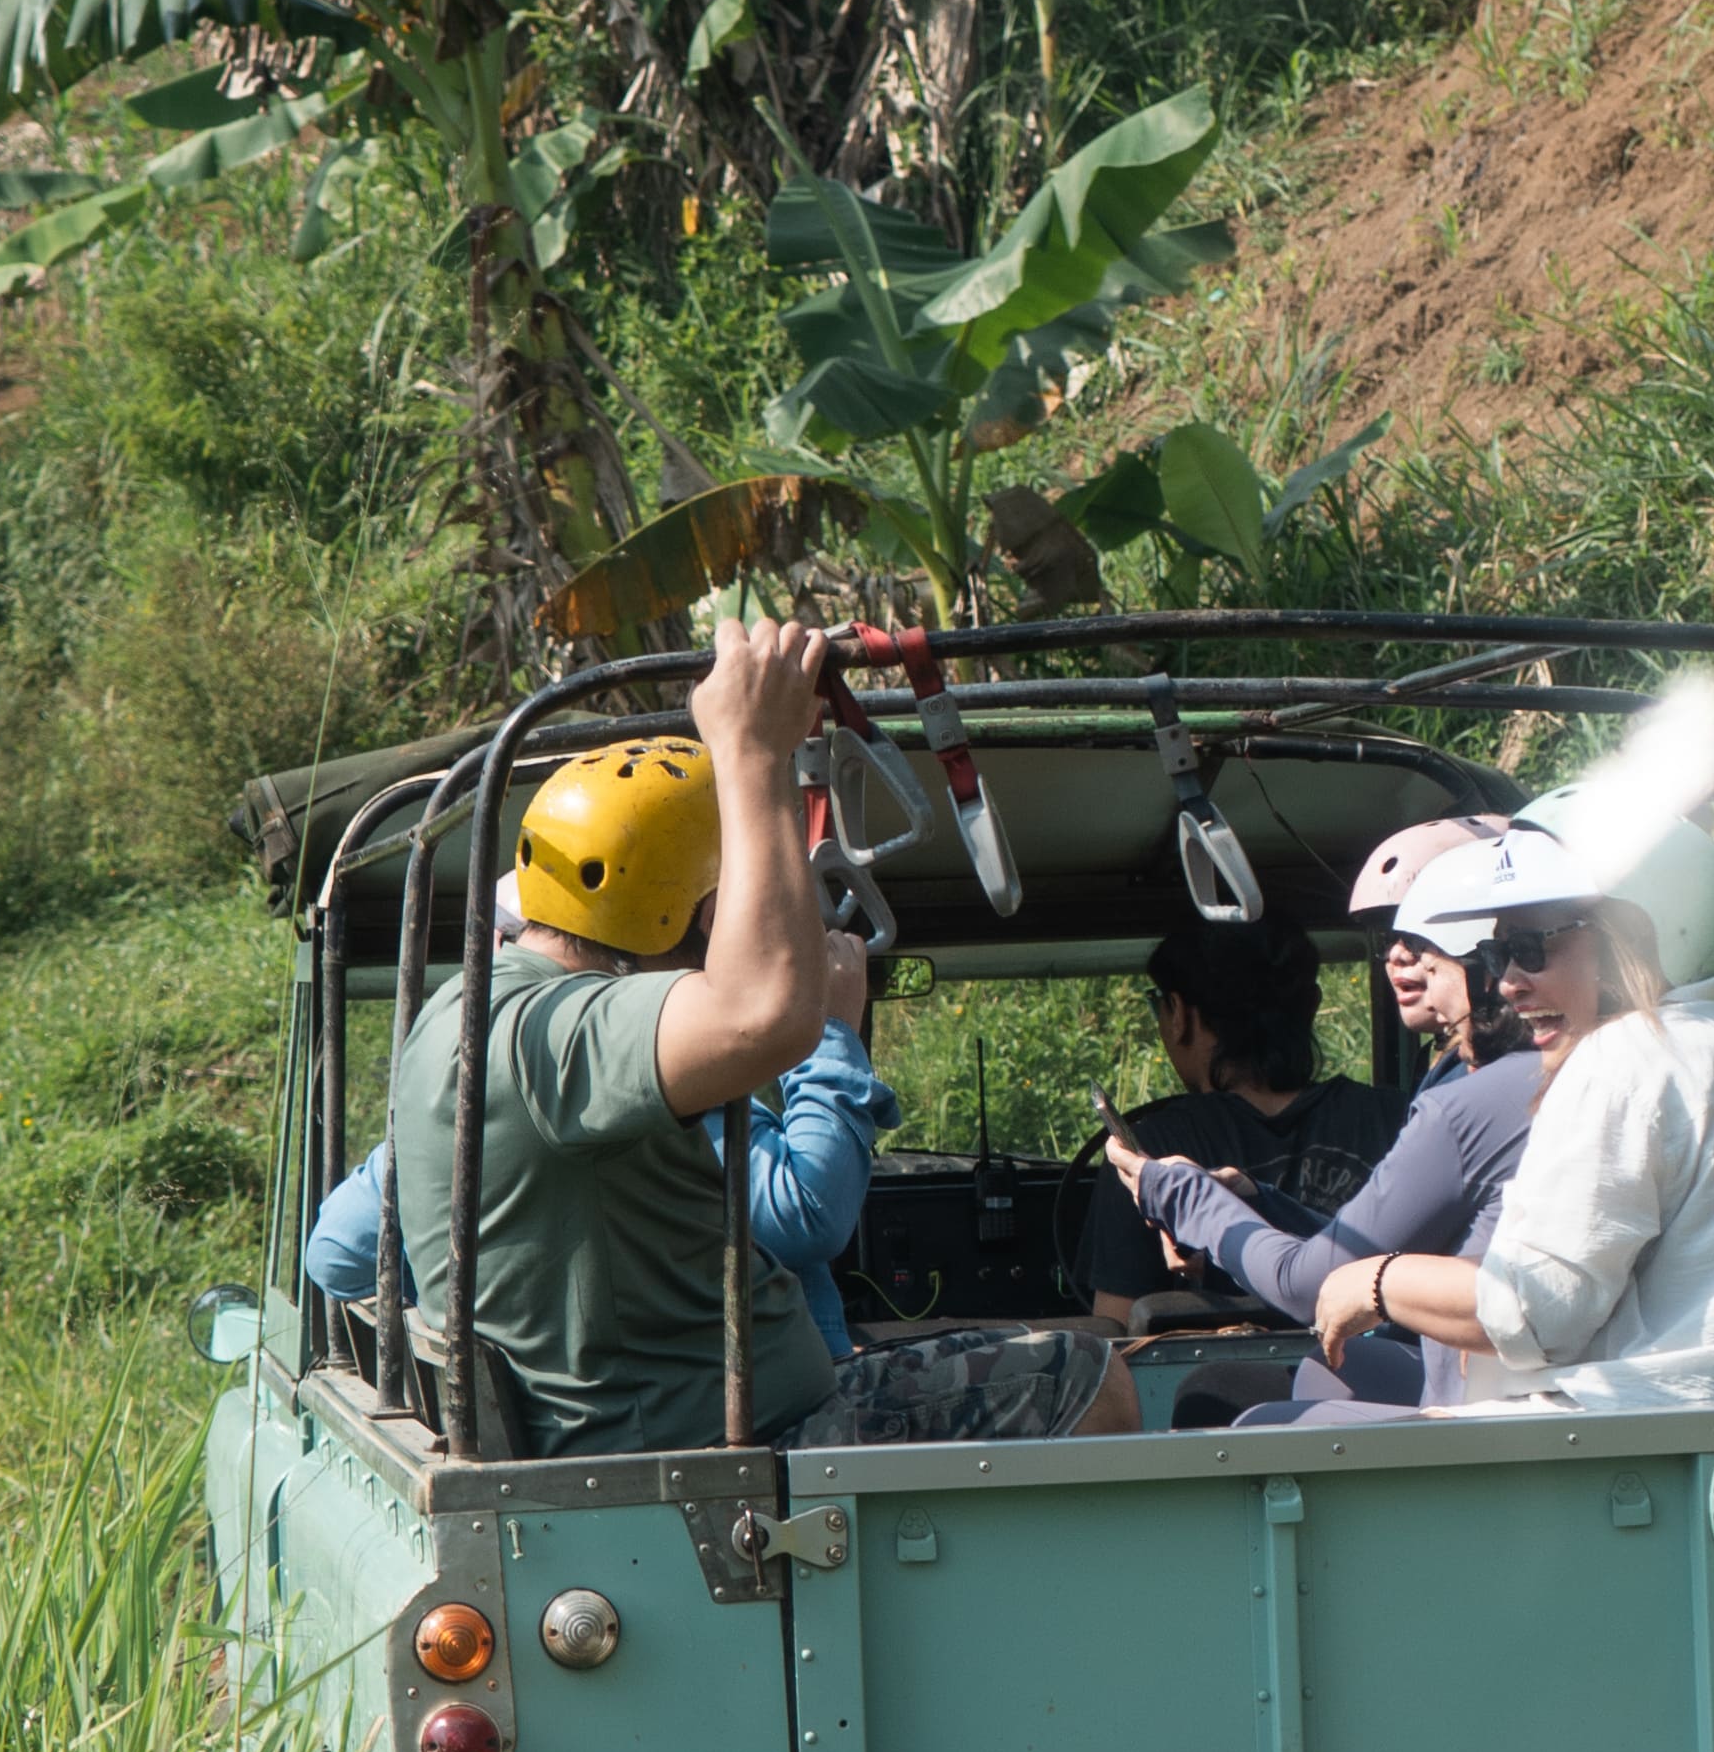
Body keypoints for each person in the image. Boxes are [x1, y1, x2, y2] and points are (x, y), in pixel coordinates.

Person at [388, 620, 1131, 1454]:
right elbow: (764, 1013)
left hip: (709, 1418)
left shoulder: (476, 1008)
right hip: (711, 1453)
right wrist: (751, 754)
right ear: (696, 911)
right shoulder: (553, 1030)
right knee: (1092, 1380)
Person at [1315, 795, 1714, 1413]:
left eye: (1531, 949)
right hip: (1710, 1433)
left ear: (1633, 938)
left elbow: (1533, 1312)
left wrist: (1374, 1281)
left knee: (1273, 1422)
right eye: (1498, 955)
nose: (1506, 984)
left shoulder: (1626, 1058)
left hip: (1645, 1452)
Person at [306, 920, 899, 1369]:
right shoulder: (627, 1083)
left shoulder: (466, 1100)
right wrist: (830, 1027)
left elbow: (340, 1253)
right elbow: (806, 1211)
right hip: (758, 1433)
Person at [1107, 825, 1531, 1411]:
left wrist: (1176, 1193)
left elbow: (1307, 1285)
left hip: (1483, 1399)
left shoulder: (1462, 1104)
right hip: (1485, 1373)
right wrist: (1259, 1199)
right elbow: (1354, 1253)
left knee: (1226, 1403)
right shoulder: (1514, 1076)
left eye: (1423, 936)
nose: (1397, 956)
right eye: (1389, 939)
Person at [1077, 894, 1389, 1327]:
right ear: (1312, 1005)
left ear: (1179, 1014)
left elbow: (1116, 1335)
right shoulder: (1401, 1120)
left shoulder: (1145, 1155)